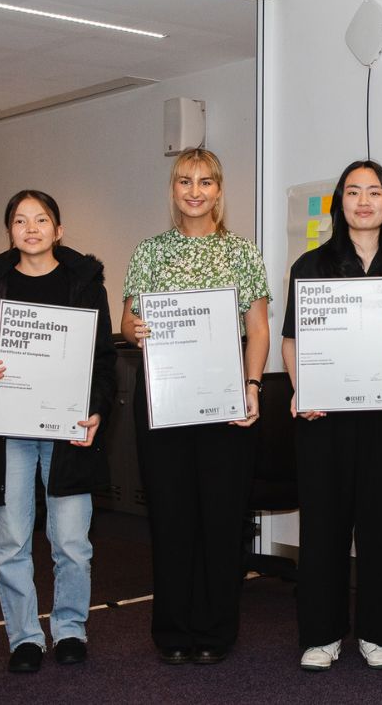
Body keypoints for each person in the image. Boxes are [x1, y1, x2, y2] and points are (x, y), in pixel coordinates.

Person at [121, 147, 270, 665]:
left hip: (225, 400)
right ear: (173, 189)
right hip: (165, 400)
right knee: (171, 515)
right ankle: (173, 632)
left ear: (219, 191)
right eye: (185, 181)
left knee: (222, 518)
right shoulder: (148, 252)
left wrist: (253, 386)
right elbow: (127, 322)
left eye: (205, 182)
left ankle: (215, 632)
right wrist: (134, 329)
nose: (195, 191)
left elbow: (257, 330)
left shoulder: (243, 253)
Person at [0, 189, 117, 673]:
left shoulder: (86, 284)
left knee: (72, 540)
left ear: (58, 229)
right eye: (21, 221)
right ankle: (24, 637)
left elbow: (103, 361)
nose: (31, 228)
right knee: (11, 538)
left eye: (42, 219)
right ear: (9, 231)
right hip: (8, 427)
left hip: (67, 426)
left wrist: (95, 410)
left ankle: (70, 628)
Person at [280, 160, 382, 672]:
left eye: (374, 192)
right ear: (340, 202)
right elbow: (292, 342)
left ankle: (378, 633)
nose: (364, 201)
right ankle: (322, 632)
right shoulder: (311, 265)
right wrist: (302, 386)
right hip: (325, 416)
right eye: (354, 192)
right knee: (324, 528)